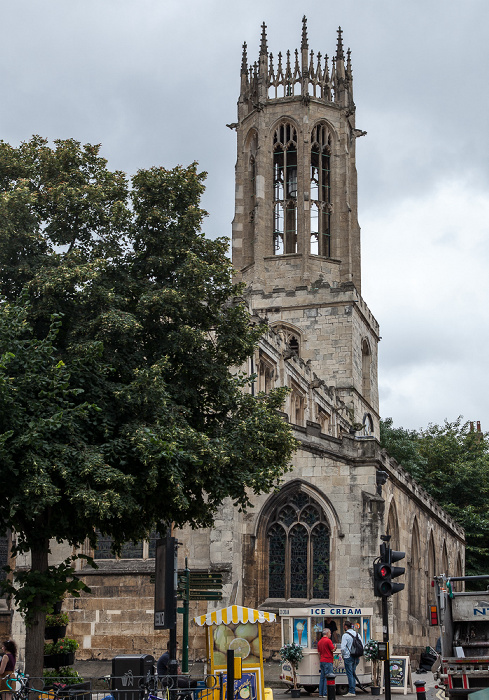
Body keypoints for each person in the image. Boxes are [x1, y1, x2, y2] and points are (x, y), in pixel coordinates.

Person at [341, 621, 361, 697]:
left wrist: (343, 655)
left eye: (343, 626)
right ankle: (353, 690)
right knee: (353, 673)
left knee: (350, 674)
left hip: (348, 656)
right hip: (356, 656)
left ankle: (352, 691)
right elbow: (361, 645)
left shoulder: (345, 635)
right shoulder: (357, 634)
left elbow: (342, 648)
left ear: (346, 627)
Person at [317, 628, 335, 698]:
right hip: (328, 660)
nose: (330, 634)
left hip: (322, 660)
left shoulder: (319, 641)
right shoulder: (328, 641)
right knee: (328, 677)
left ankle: (320, 693)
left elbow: (318, 653)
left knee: (322, 677)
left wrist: (321, 659)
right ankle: (325, 693)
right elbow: (332, 649)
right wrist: (335, 647)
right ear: (327, 633)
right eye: (330, 633)